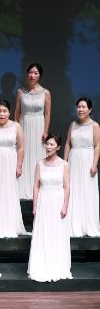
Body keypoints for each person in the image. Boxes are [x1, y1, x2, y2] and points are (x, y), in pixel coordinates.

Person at [28, 134, 72, 282]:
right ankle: (41, 264)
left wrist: (65, 206)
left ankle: (56, 264)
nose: (48, 147)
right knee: (43, 231)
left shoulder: (64, 165)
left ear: (58, 147)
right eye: (47, 144)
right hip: (43, 201)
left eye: (51, 144)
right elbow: (36, 186)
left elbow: (67, 187)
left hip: (57, 201)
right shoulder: (40, 163)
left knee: (56, 232)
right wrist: (35, 205)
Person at [0, 100, 27, 238]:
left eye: (4, 111)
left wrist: (19, 165)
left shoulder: (16, 126)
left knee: (8, 191)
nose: (2, 114)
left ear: (9, 112)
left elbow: (21, 148)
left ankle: (9, 224)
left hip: (10, 163)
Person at [64, 97, 100, 237]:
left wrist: (94, 164)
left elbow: (97, 146)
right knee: (73, 189)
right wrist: (65, 162)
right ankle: (74, 223)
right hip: (74, 160)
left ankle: (87, 224)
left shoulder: (95, 126)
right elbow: (68, 143)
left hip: (87, 160)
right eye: (79, 107)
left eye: (83, 107)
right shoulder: (73, 125)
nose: (80, 109)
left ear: (90, 109)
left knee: (87, 191)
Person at [15, 63, 51, 199]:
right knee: (23, 153)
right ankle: (21, 187)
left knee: (37, 154)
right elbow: (17, 111)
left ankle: (37, 187)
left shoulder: (45, 93)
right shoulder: (20, 91)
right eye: (30, 72)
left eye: (36, 73)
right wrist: (14, 129)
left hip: (38, 126)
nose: (32, 75)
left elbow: (47, 113)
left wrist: (45, 130)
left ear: (40, 75)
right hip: (24, 124)